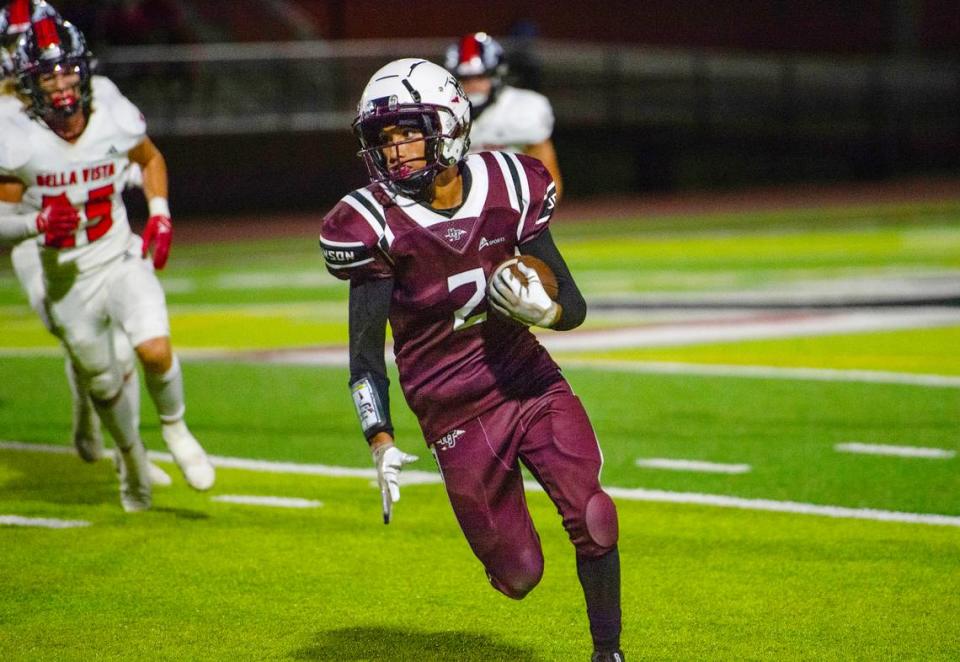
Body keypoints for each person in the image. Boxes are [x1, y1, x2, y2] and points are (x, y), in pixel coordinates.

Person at [320, 59, 623, 661]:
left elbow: (576, 304)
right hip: (453, 410)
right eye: (384, 139)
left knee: (594, 515)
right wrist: (378, 437)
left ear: (450, 125)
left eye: (408, 131)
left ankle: (608, 652)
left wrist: (547, 314)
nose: (396, 150)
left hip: (526, 380)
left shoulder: (512, 184)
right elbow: (364, 356)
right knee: (519, 576)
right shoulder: (373, 222)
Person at [0, 15, 215, 510]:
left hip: (117, 253)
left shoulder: (109, 109)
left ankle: (176, 431)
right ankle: (131, 456)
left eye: (67, 71)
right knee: (101, 375)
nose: (61, 84)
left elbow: (148, 158)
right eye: (48, 75)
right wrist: (33, 226)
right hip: (62, 273)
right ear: (29, 80)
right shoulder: (19, 135)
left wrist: (159, 215)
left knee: (152, 350)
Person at [445, 31, 563, 199]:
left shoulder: (525, 107)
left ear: (497, 75)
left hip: (517, 204)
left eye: (480, 77)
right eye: (465, 78)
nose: (473, 85)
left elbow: (550, 179)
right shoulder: (444, 113)